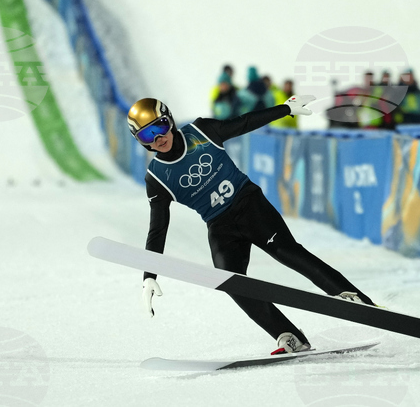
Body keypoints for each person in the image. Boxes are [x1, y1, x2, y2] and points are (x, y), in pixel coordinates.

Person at [127, 97, 375, 355]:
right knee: (229, 279)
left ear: (170, 120)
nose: (158, 138)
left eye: (160, 127)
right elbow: (157, 229)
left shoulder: (202, 131)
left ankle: (352, 296)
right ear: (141, 141)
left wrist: (286, 108)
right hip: (219, 224)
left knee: (287, 251)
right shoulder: (156, 178)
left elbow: (244, 122)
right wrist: (149, 276)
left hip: (248, 204)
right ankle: (288, 334)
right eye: (147, 135)